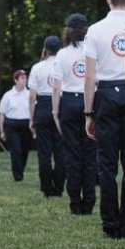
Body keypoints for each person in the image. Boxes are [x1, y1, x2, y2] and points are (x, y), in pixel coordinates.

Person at [83, 0, 125, 239]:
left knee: (106, 165)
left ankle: (110, 224)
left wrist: (88, 113)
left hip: (105, 94)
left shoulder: (95, 30)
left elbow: (88, 77)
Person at [51, 13, 95, 215]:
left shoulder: (62, 54)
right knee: (89, 155)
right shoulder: (92, 50)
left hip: (68, 102)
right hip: (90, 100)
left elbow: (56, 88)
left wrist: (55, 111)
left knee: (72, 156)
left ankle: (75, 203)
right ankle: (89, 202)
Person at [29, 36, 65, 197]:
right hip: (61, 104)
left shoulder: (37, 67)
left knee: (44, 153)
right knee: (60, 152)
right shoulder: (64, 64)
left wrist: (31, 118)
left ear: (46, 48)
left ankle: (46, 188)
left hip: (42, 106)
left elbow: (31, 96)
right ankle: (58, 188)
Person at [0, 69, 33, 182]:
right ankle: (18, 176)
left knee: (24, 151)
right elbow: (2, 114)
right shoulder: (8, 95)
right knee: (16, 150)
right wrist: (2, 131)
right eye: (22, 78)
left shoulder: (30, 94)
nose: (25, 80)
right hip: (12, 125)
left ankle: (20, 169)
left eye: (25, 78)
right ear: (15, 80)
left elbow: (34, 110)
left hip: (26, 125)